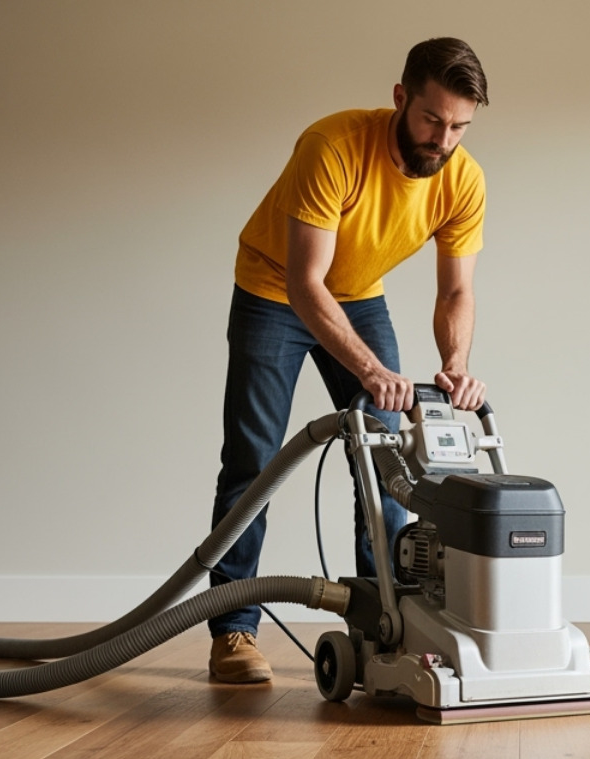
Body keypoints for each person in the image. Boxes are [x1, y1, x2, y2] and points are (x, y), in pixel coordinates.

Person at [205, 37, 490, 683]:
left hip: (359, 297)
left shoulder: (463, 178)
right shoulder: (332, 146)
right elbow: (307, 283)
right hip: (273, 290)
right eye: (431, 119)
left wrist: (454, 364)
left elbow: (456, 290)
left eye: (458, 127)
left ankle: (384, 626)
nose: (442, 140)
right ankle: (233, 635)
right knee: (253, 461)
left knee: (388, 463)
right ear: (400, 98)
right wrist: (370, 371)